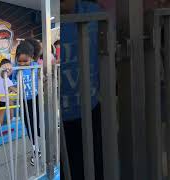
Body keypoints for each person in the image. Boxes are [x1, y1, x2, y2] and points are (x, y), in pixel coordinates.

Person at [61, 0, 103, 180]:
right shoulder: (42, 19)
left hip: (90, 109)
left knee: (95, 167)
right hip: (60, 120)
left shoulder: (94, 12)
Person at [12, 40, 41, 166]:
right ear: (16, 59)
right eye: (20, 61)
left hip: (35, 98)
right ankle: (35, 149)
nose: (23, 64)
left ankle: (38, 137)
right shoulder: (15, 68)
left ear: (32, 58)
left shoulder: (35, 65)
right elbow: (6, 75)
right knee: (29, 126)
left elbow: (44, 72)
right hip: (23, 101)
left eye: (26, 61)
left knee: (37, 123)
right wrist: (13, 88)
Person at [0, 59, 16, 126]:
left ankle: (11, 118)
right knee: (1, 114)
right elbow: (11, 87)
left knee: (10, 102)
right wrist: (18, 90)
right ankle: (0, 128)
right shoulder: (5, 76)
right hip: (2, 99)